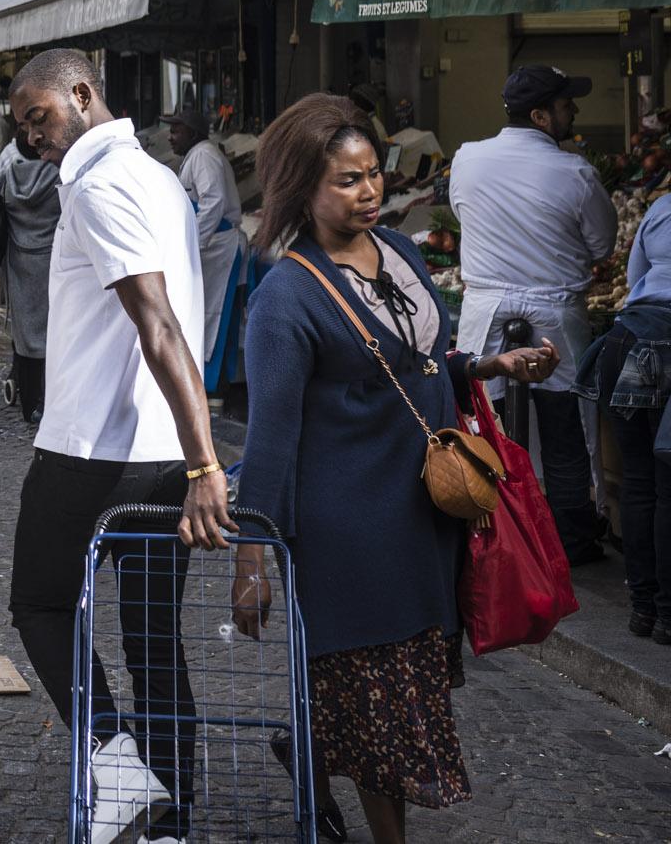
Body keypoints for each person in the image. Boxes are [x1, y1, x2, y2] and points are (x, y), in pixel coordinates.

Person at [238, 94, 558, 844]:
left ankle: (308, 745)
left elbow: (412, 364)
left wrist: (486, 362)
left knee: (392, 688)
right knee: (386, 709)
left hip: (423, 523)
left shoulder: (404, 253)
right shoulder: (284, 298)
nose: (370, 191)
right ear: (302, 188)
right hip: (348, 533)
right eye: (346, 180)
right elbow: (273, 435)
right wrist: (251, 555)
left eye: (373, 173)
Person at [5, 48, 232, 844]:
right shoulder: (159, 177)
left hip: (95, 446)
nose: (34, 139)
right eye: (24, 128)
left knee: (38, 601)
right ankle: (170, 818)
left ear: (82, 92)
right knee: (151, 637)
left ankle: (116, 762)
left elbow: (160, 322)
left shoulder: (102, 185)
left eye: (39, 118)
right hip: (161, 449)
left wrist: (208, 464)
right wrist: (191, 456)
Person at [448, 65, 615, 564]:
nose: (574, 112)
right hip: (555, 312)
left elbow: (461, 214)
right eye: (567, 105)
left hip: (486, 311)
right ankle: (572, 541)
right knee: (563, 431)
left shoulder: (466, 159)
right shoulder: (576, 171)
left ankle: (493, 535)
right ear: (541, 116)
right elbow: (602, 243)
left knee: (485, 428)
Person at [578, 190, 671, 643]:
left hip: (628, 338)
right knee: (667, 486)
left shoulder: (660, 207)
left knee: (638, 481)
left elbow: (635, 279)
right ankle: (668, 616)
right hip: (665, 344)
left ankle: (643, 610)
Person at [0, 128, 60, 430]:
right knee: (55, 332)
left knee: (25, 336)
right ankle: (51, 402)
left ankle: (29, 407)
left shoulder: (8, 175)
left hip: (19, 260)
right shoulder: (59, 175)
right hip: (53, 260)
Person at [165, 108, 246, 383]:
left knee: (214, 314)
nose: (170, 137)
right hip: (210, 247)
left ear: (194, 132)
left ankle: (214, 385)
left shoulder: (204, 156)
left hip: (218, 247)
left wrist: (193, 245)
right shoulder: (196, 156)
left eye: (176, 130)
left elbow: (213, 201)